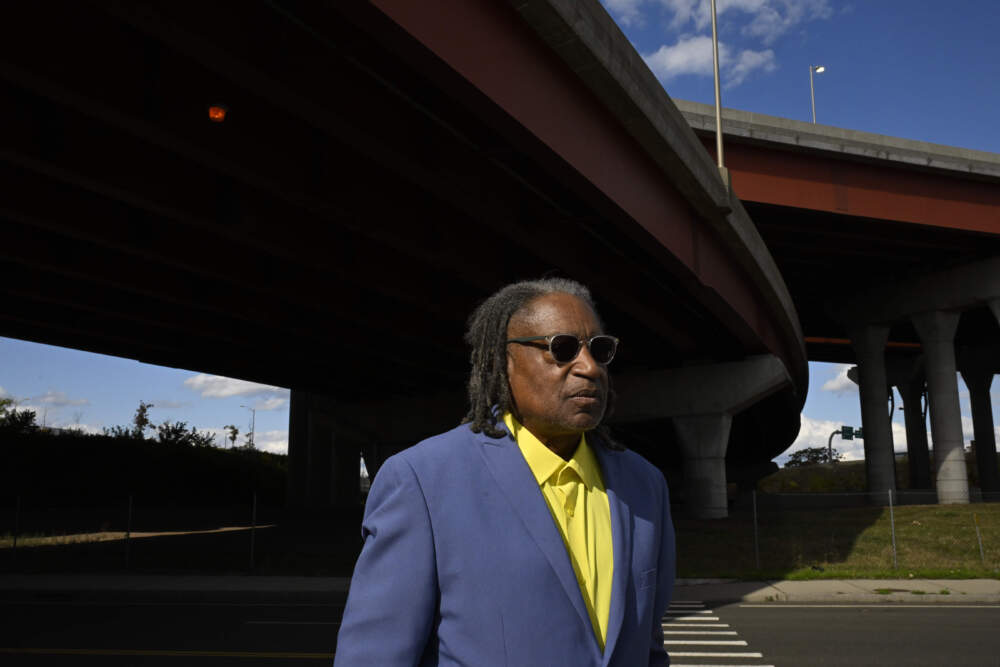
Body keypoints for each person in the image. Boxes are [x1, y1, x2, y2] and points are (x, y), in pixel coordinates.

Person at [334, 278, 675, 666]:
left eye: (600, 350)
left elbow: (649, 649)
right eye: (562, 349)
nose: (589, 367)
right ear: (502, 362)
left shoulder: (645, 485)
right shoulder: (423, 482)